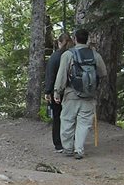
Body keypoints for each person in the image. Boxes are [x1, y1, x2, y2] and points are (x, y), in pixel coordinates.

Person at [53, 27, 107, 160]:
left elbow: (61, 76)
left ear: (75, 39)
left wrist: (57, 91)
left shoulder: (68, 55)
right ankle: (79, 149)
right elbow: (103, 73)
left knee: (67, 121)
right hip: (89, 95)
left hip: (71, 94)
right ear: (87, 39)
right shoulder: (95, 55)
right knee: (84, 123)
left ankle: (68, 148)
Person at [43, 31, 73, 153]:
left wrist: (48, 91)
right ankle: (71, 141)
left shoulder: (55, 57)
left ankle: (58, 143)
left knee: (57, 117)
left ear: (59, 42)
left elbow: (50, 75)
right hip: (72, 92)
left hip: (58, 92)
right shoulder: (73, 54)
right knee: (71, 118)